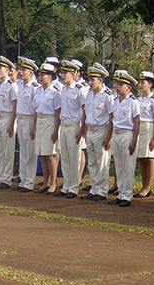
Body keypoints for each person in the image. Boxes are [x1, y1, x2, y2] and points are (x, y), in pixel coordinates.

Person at [80, 64, 114, 201]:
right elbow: (87, 114)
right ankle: (94, 188)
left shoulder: (107, 96)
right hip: (91, 130)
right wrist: (85, 130)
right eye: (89, 79)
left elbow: (111, 116)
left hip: (102, 130)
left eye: (93, 79)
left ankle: (101, 190)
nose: (90, 82)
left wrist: (109, 136)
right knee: (92, 162)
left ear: (100, 80)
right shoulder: (89, 95)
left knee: (102, 162)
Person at [56, 59, 88, 197]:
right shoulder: (63, 89)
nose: (63, 75)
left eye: (66, 73)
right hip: (64, 125)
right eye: (62, 72)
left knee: (74, 157)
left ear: (74, 74)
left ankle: (74, 186)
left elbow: (84, 110)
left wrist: (82, 129)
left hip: (74, 125)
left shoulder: (79, 90)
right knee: (66, 157)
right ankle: (66, 185)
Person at [108, 70, 140, 207]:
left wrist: (134, 141)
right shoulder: (115, 101)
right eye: (116, 83)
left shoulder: (133, 102)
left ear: (128, 88)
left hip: (127, 133)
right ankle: (120, 192)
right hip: (117, 133)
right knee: (119, 165)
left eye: (120, 84)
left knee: (128, 166)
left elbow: (137, 121)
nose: (117, 86)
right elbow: (111, 119)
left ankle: (127, 195)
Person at [31, 62, 61, 194]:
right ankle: (45, 181)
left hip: (50, 121)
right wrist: (34, 127)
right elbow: (35, 110)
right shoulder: (38, 91)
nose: (40, 77)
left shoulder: (55, 93)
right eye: (39, 74)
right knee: (41, 154)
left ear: (50, 76)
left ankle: (53, 183)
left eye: (43, 75)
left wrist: (56, 130)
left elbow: (58, 112)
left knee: (50, 154)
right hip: (40, 121)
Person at [13, 57, 40, 193]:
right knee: (23, 150)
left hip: (29, 120)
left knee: (30, 153)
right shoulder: (18, 84)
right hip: (20, 119)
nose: (21, 72)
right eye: (20, 69)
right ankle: (22, 179)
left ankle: (29, 181)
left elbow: (35, 109)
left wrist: (34, 127)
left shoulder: (35, 87)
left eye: (24, 70)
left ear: (31, 72)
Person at [0, 56, 18, 190]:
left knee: (8, 150)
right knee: (0, 150)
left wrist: (11, 124)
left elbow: (14, 106)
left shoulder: (11, 86)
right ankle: (0, 176)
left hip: (8, 118)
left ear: (7, 70)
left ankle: (7, 178)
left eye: (0, 68)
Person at [135, 71, 154, 198]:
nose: (140, 85)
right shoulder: (137, 99)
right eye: (139, 82)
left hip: (149, 128)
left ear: (150, 84)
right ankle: (143, 185)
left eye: (143, 83)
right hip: (139, 128)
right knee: (142, 158)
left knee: (150, 158)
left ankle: (148, 187)